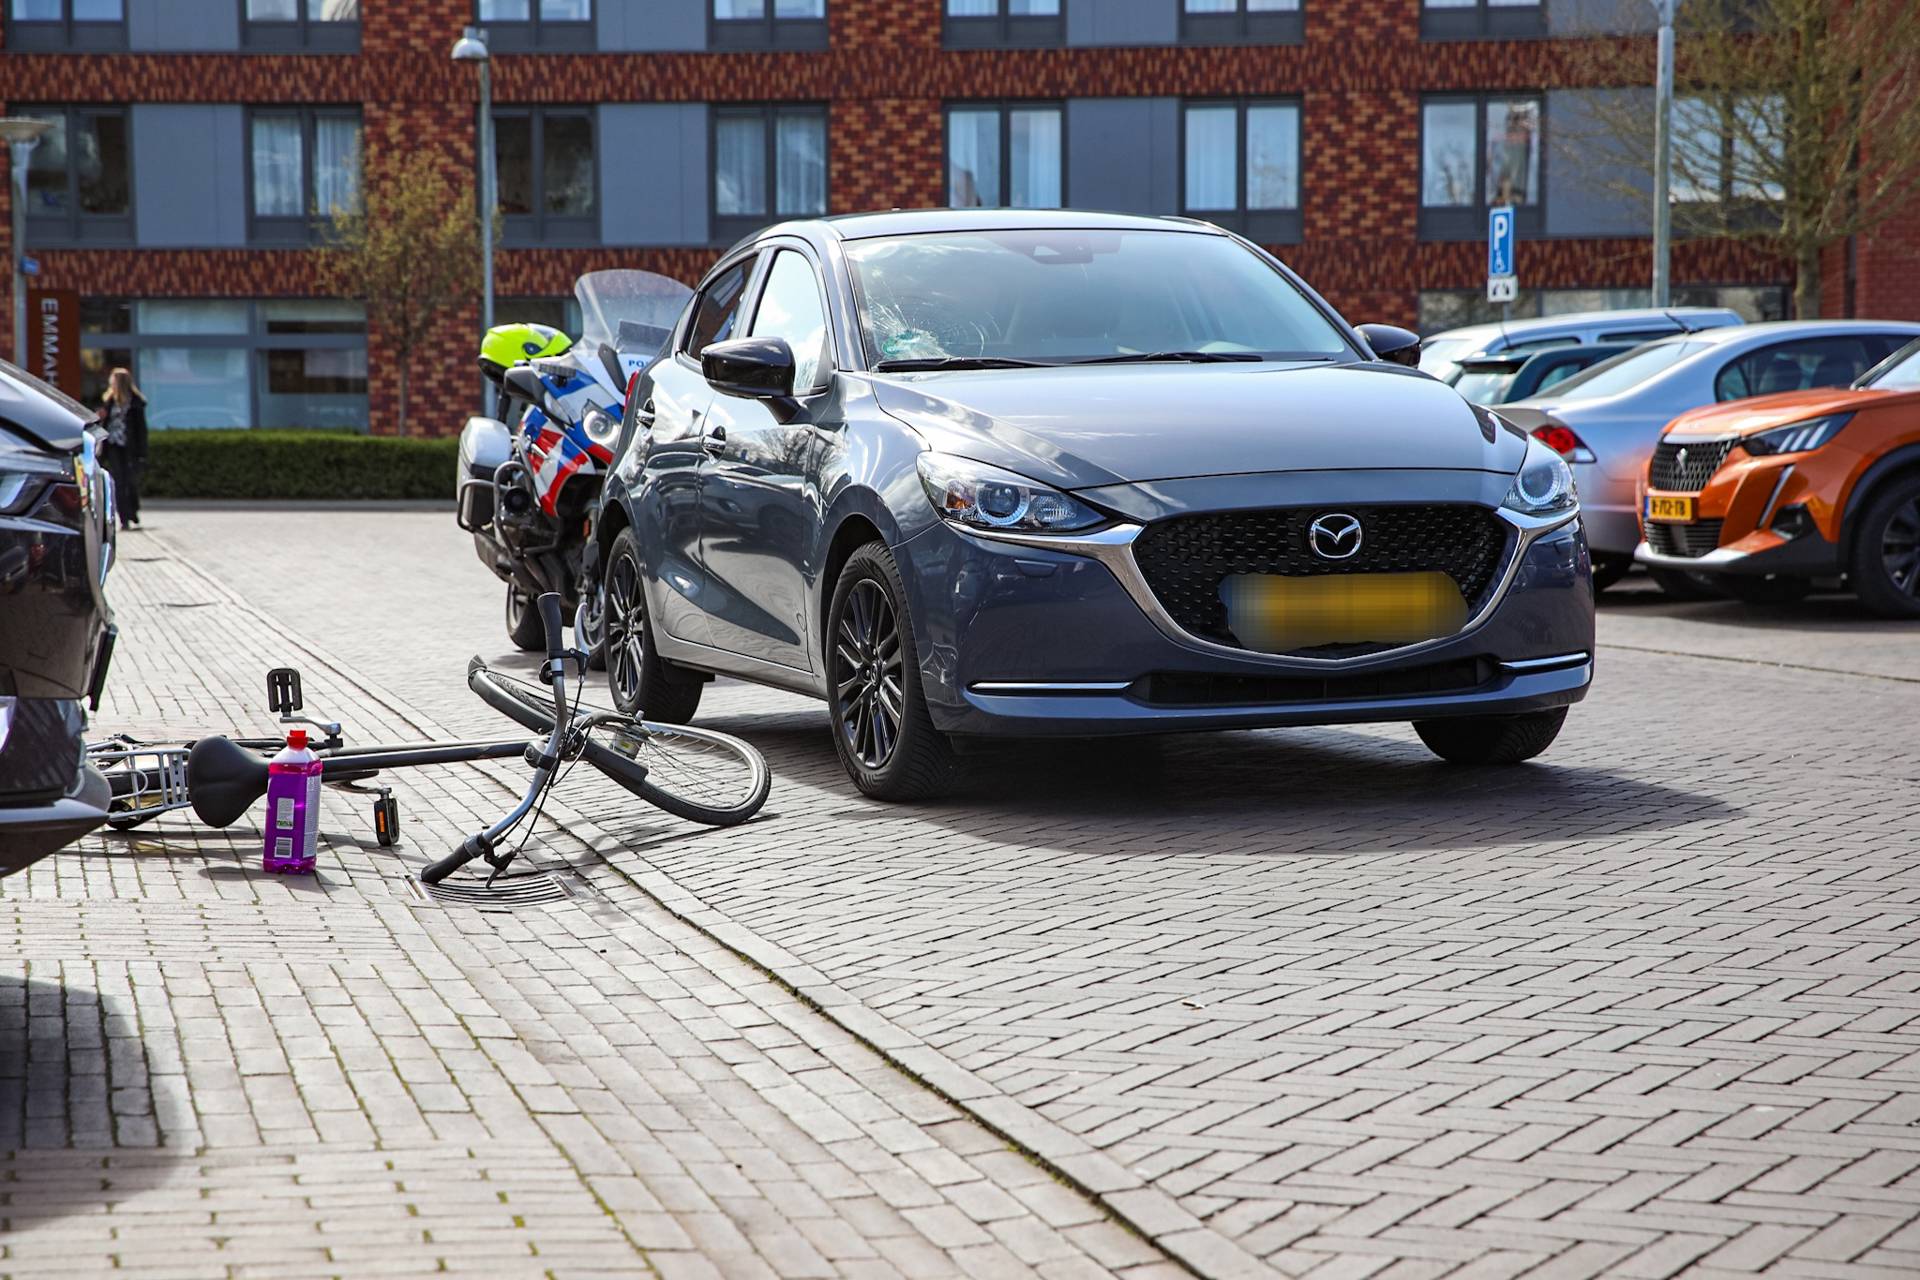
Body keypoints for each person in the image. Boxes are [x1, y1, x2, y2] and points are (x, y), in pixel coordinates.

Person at [98, 367, 148, 530]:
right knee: (119, 482)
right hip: (113, 446)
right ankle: (124, 518)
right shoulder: (109, 402)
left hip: (129, 447)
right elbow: (103, 425)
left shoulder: (135, 403)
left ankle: (133, 511)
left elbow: (141, 429)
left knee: (130, 482)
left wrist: (142, 452)